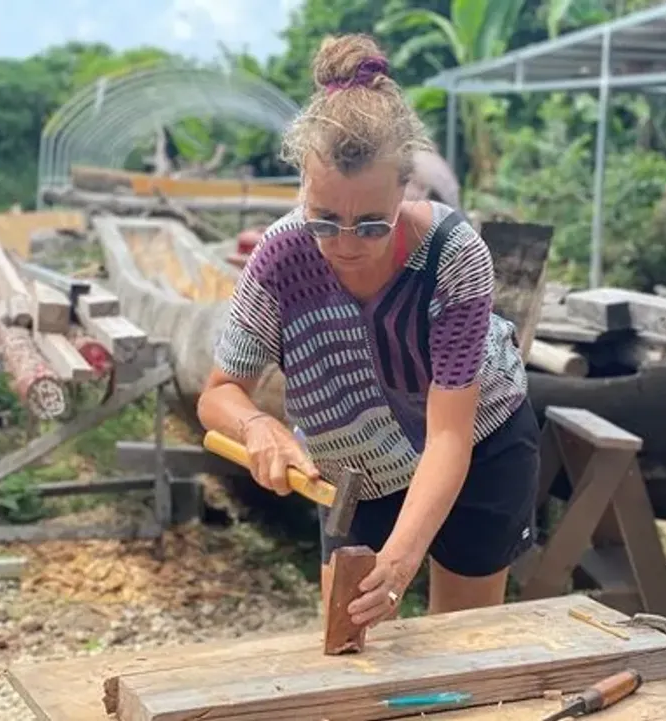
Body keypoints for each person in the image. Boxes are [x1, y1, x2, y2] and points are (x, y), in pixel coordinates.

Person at [196, 33, 539, 629]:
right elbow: (219, 392)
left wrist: (400, 563)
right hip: (356, 467)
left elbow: (449, 436)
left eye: (372, 224)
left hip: (479, 447)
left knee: (461, 642)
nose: (347, 245)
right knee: (349, 637)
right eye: (325, 220)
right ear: (303, 188)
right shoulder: (280, 258)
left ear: (405, 188)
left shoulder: (453, 257)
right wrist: (257, 427)